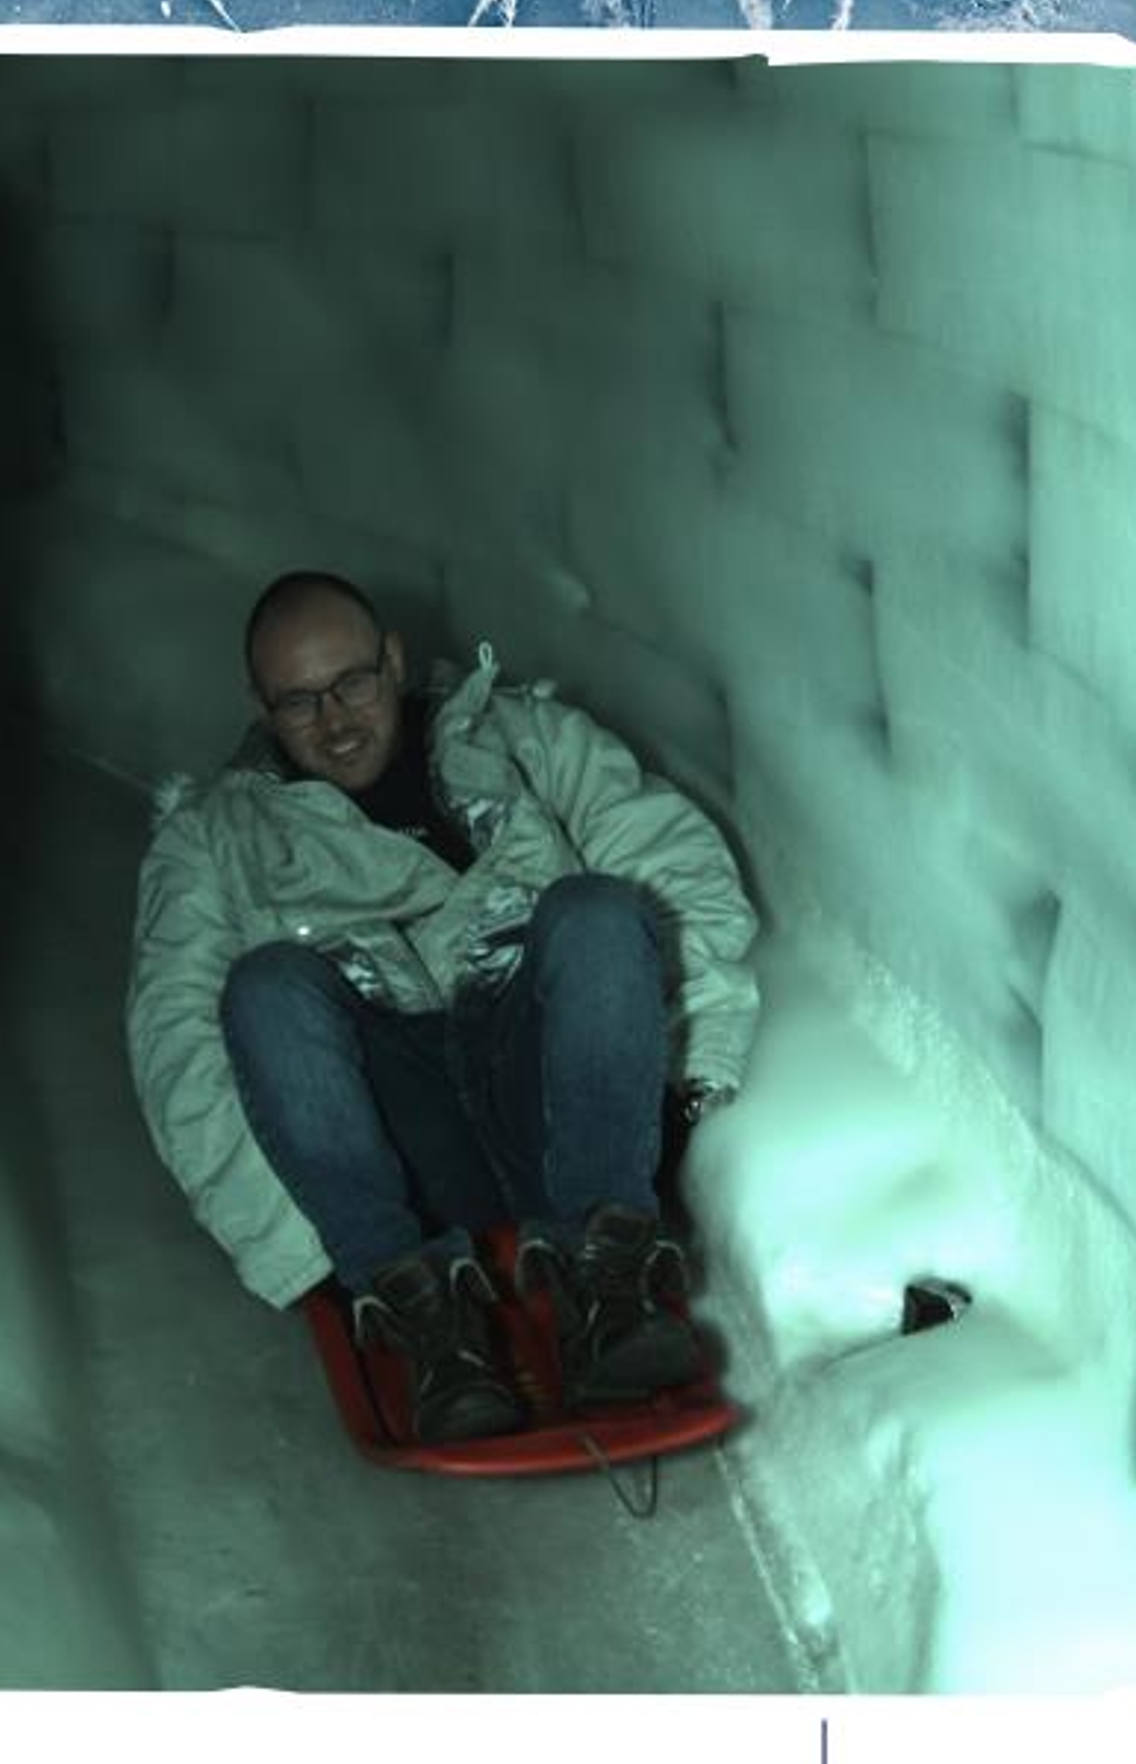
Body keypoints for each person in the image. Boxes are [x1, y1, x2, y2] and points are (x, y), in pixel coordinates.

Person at [126, 571, 761, 1444]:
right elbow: (176, 1046)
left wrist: (695, 1066)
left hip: (554, 1103)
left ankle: (607, 1284)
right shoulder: (212, 838)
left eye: (353, 682)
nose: (337, 723)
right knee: (266, 987)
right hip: (400, 1144)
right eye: (300, 702)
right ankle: (426, 1323)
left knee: (596, 910)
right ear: (260, 706)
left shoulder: (520, 740)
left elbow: (675, 864)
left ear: (393, 660)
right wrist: (301, 1251)